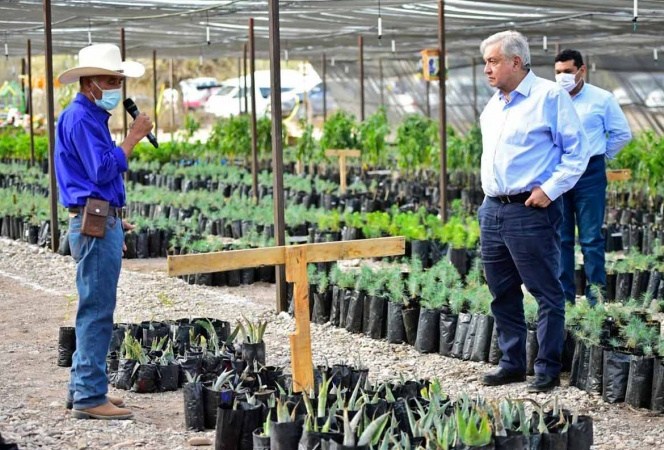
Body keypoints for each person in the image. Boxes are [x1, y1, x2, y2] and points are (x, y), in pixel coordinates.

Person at [477, 31, 590, 393]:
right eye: (485, 62)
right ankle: (511, 363)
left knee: (545, 292)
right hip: (493, 209)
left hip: (530, 209)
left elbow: (577, 152)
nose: (487, 69)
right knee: (502, 292)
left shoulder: (549, 97)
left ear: (516, 61)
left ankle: (547, 368)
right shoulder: (494, 104)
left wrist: (549, 190)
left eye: (493, 61)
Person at [55, 43, 153, 419]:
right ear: (88, 82)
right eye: (110, 81)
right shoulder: (81, 118)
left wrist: (113, 217)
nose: (115, 88)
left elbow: (93, 177)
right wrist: (134, 136)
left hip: (97, 217)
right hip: (93, 221)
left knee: (94, 307)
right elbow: (101, 170)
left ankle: (83, 386)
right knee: (96, 311)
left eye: (117, 81)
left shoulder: (88, 116)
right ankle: (89, 397)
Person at [554, 49, 632, 304]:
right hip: (560, 172)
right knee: (561, 238)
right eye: (558, 72)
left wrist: (600, 154)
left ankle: (595, 299)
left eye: (567, 71)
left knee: (591, 239)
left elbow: (622, 133)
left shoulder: (601, 99)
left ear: (581, 70)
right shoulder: (551, 99)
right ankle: (564, 299)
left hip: (590, 173)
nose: (562, 77)